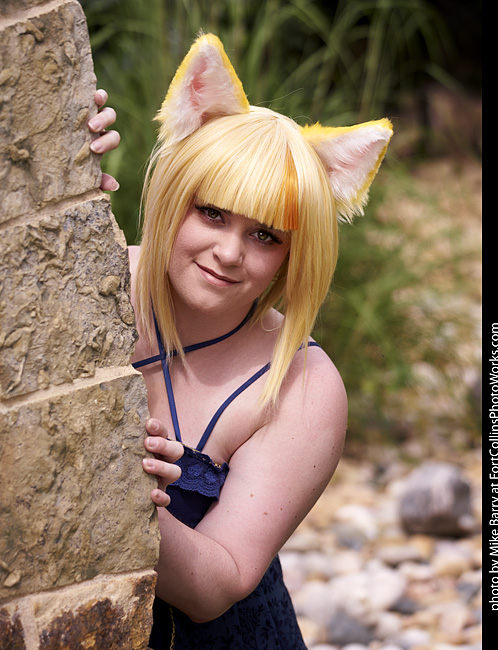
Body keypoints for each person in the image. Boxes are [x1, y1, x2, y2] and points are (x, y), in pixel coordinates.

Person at [91, 33, 392, 650]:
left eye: (266, 235)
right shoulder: (88, 277)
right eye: (212, 213)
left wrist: (116, 485)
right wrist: (46, 175)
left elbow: (217, 585)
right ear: (173, 194)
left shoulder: (303, 387)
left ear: (295, 252)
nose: (229, 253)